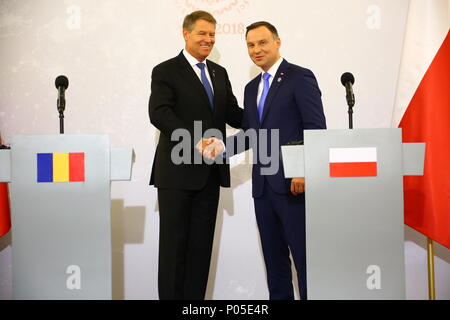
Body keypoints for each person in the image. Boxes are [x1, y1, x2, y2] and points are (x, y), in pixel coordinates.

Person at [205, 21, 326, 300]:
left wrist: (303, 170)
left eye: (262, 42)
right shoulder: (251, 88)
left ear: (277, 42)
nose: (256, 49)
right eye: (250, 45)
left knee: (306, 262)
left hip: (295, 186)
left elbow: (315, 128)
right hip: (263, 190)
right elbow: (251, 135)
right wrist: (221, 147)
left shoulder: (300, 77)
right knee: (275, 265)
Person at [148, 10, 243, 300]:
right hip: (176, 175)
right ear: (186, 33)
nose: (208, 39)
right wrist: (195, 140)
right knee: (174, 251)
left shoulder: (219, 72)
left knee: (201, 252)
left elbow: (233, 114)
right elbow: (159, 113)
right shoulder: (165, 70)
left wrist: (267, 113)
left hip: (210, 175)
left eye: (212, 34)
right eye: (202, 33)